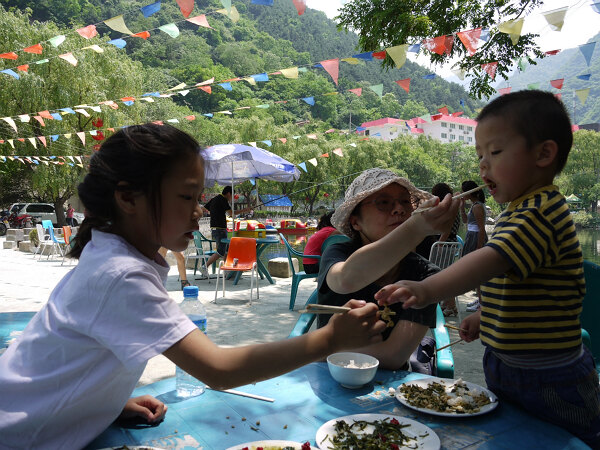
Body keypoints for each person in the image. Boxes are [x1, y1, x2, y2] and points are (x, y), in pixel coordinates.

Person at [0, 124, 386, 449]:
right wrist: (330, 339)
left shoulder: (113, 257)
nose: (199, 209)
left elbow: (74, 359)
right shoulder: (120, 274)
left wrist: (103, 403)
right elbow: (219, 370)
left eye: (200, 197)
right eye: (187, 196)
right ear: (127, 197)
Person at [376, 90, 600, 447]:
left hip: (550, 376)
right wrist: (486, 318)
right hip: (508, 365)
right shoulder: (518, 209)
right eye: (480, 155)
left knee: (566, 442)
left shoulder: (541, 211)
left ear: (544, 154)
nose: (482, 166)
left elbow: (492, 259)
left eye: (495, 153)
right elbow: (520, 285)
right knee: (514, 439)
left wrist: (426, 289)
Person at [316, 168, 458, 371]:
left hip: (388, 384)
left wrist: (323, 353)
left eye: (405, 202)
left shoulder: (425, 276)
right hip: (327, 374)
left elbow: (394, 356)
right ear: (355, 221)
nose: (399, 209)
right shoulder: (338, 252)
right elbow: (345, 280)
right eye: (384, 202)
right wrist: (416, 228)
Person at [201, 186, 252, 278]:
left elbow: (204, 208)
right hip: (220, 229)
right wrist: (245, 210)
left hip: (215, 229)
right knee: (221, 251)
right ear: (228, 193)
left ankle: (226, 269)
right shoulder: (223, 200)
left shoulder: (214, 199)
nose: (232, 197)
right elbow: (231, 213)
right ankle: (204, 266)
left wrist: (214, 213)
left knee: (226, 250)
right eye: (232, 195)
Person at [460, 179, 487, 312]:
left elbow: (481, 228)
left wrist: (479, 246)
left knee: (478, 272)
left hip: (476, 237)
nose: (462, 194)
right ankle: (480, 299)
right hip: (471, 236)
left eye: (464, 191)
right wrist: (461, 208)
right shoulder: (473, 205)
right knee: (476, 272)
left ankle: (482, 302)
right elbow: (466, 221)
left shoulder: (477, 206)